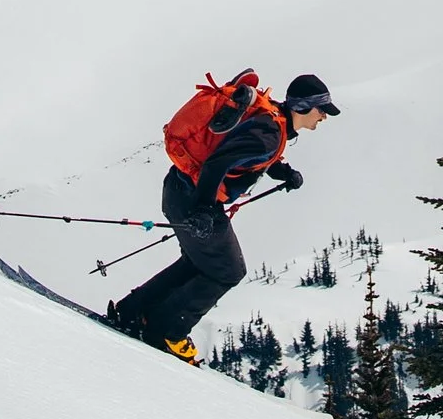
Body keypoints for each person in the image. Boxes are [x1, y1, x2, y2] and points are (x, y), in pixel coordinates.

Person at [108, 71, 335, 363]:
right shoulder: (270, 133)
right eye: (322, 110)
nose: (324, 118)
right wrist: (203, 209)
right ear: (302, 107)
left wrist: (284, 172)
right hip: (194, 199)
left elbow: (246, 152)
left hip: (180, 191)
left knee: (199, 264)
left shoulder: (273, 122)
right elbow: (218, 163)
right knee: (229, 270)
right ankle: (166, 331)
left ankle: (134, 313)